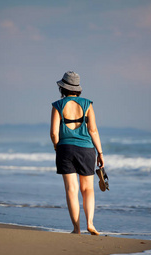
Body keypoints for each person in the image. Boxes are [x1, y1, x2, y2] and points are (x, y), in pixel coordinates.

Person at [50, 71, 104, 235]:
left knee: (71, 190)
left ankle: (76, 228)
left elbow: (54, 133)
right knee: (88, 189)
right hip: (86, 149)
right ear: (78, 88)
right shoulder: (87, 104)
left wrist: (56, 146)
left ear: (62, 88)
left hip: (65, 149)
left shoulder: (57, 105)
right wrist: (100, 152)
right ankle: (90, 223)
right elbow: (93, 130)